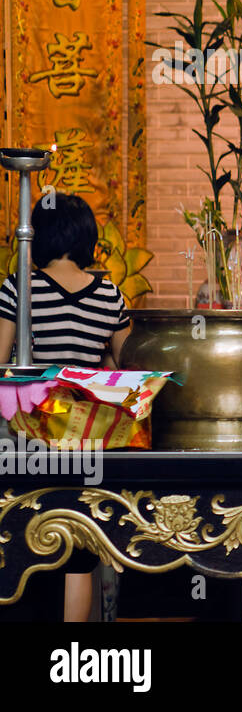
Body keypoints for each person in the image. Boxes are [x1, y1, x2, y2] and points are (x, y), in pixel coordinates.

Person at [0, 192, 130, 622]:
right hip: (86, 436)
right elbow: (124, 368)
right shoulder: (108, 295)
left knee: (23, 533)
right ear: (86, 236)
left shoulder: (19, 287)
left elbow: (0, 364)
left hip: (28, 435)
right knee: (78, 544)